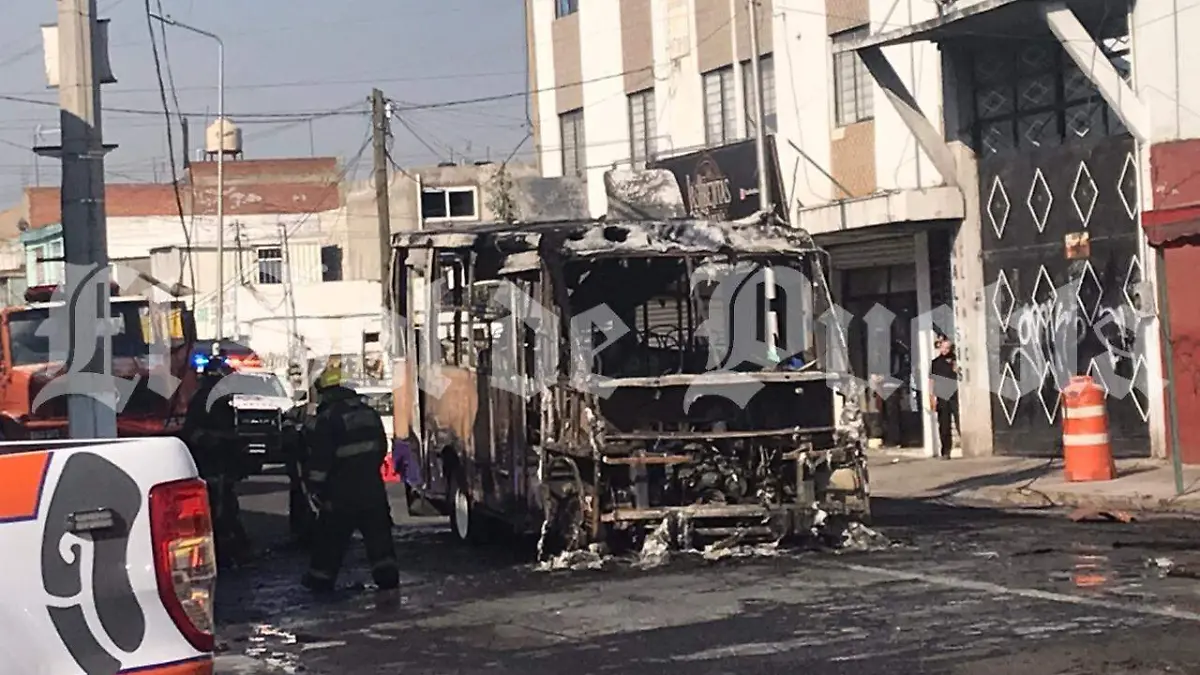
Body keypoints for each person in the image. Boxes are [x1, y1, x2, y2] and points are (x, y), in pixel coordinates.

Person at [300, 364, 399, 593]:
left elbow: (320, 462)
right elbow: (381, 448)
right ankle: (388, 579)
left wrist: (315, 488)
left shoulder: (328, 418)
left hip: (341, 493)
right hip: (372, 489)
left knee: (331, 538)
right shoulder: (368, 412)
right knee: (379, 539)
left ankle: (320, 580)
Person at [181, 355, 251, 564]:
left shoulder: (217, 402)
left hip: (219, 465)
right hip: (211, 466)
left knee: (226, 508)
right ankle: (224, 553)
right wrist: (221, 442)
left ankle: (233, 550)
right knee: (218, 512)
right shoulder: (207, 401)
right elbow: (193, 433)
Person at [928, 335, 961, 460]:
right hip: (942, 396)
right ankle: (946, 451)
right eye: (943, 348)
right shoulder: (935, 363)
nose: (945, 350)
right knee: (944, 425)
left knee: (959, 421)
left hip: (955, 395)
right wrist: (931, 397)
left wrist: (956, 369)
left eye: (948, 348)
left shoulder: (956, 360)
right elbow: (931, 380)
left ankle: (965, 444)